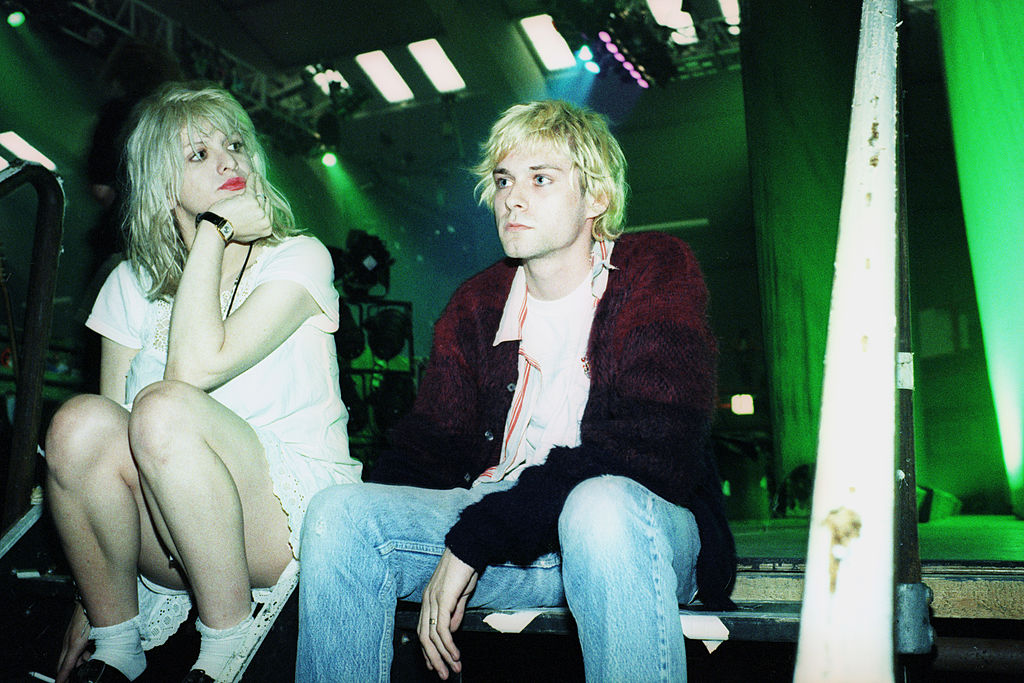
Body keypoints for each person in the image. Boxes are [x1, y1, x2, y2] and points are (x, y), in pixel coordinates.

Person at [296, 99, 736, 682]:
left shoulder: (655, 270)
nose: (513, 199)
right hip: (505, 531)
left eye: (541, 179)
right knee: (341, 513)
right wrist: (406, 523)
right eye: (504, 181)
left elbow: (651, 449)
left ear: (596, 197)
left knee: (599, 506)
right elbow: (425, 451)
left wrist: (478, 536)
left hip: (630, 531)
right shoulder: (477, 303)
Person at [44, 82, 361, 683]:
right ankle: (117, 645)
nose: (226, 161)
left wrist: (213, 230)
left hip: (288, 523)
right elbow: (102, 456)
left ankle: (225, 646)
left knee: (164, 407)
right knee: (77, 422)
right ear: (163, 186)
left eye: (235, 145)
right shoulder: (131, 283)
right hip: (167, 533)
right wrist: (91, 592)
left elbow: (194, 371)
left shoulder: (299, 257)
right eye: (199, 154)